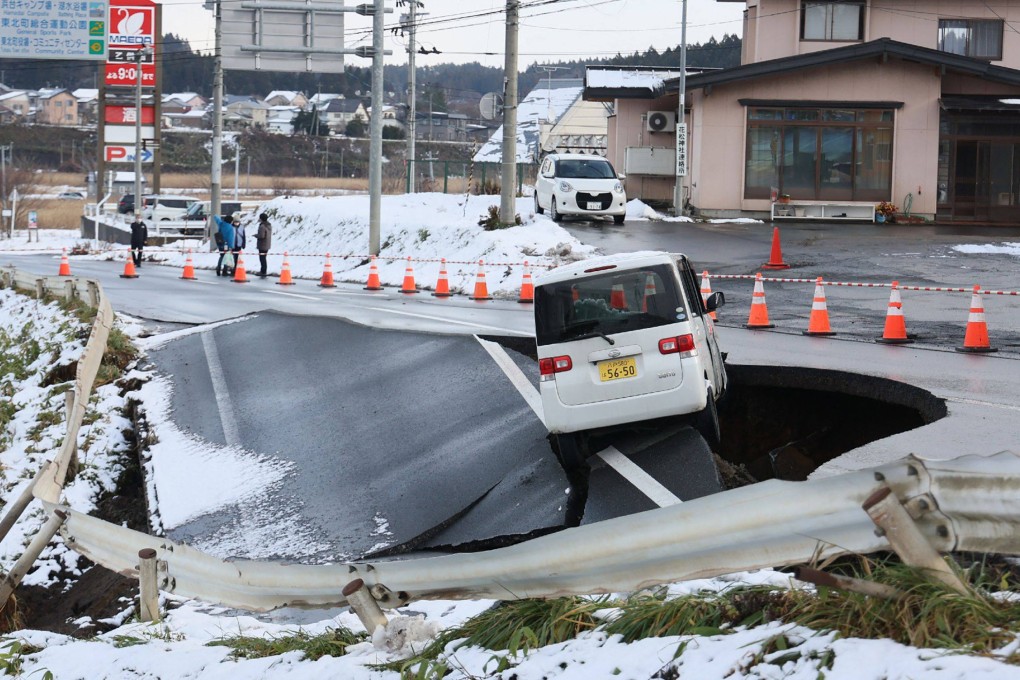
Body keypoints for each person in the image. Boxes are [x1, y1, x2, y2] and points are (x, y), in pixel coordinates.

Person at [255, 212, 272, 278]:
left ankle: (263, 271)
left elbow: (261, 236)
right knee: (264, 258)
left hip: (262, 244)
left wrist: (256, 235)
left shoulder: (262, 226)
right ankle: (264, 270)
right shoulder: (269, 225)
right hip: (267, 244)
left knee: (262, 258)